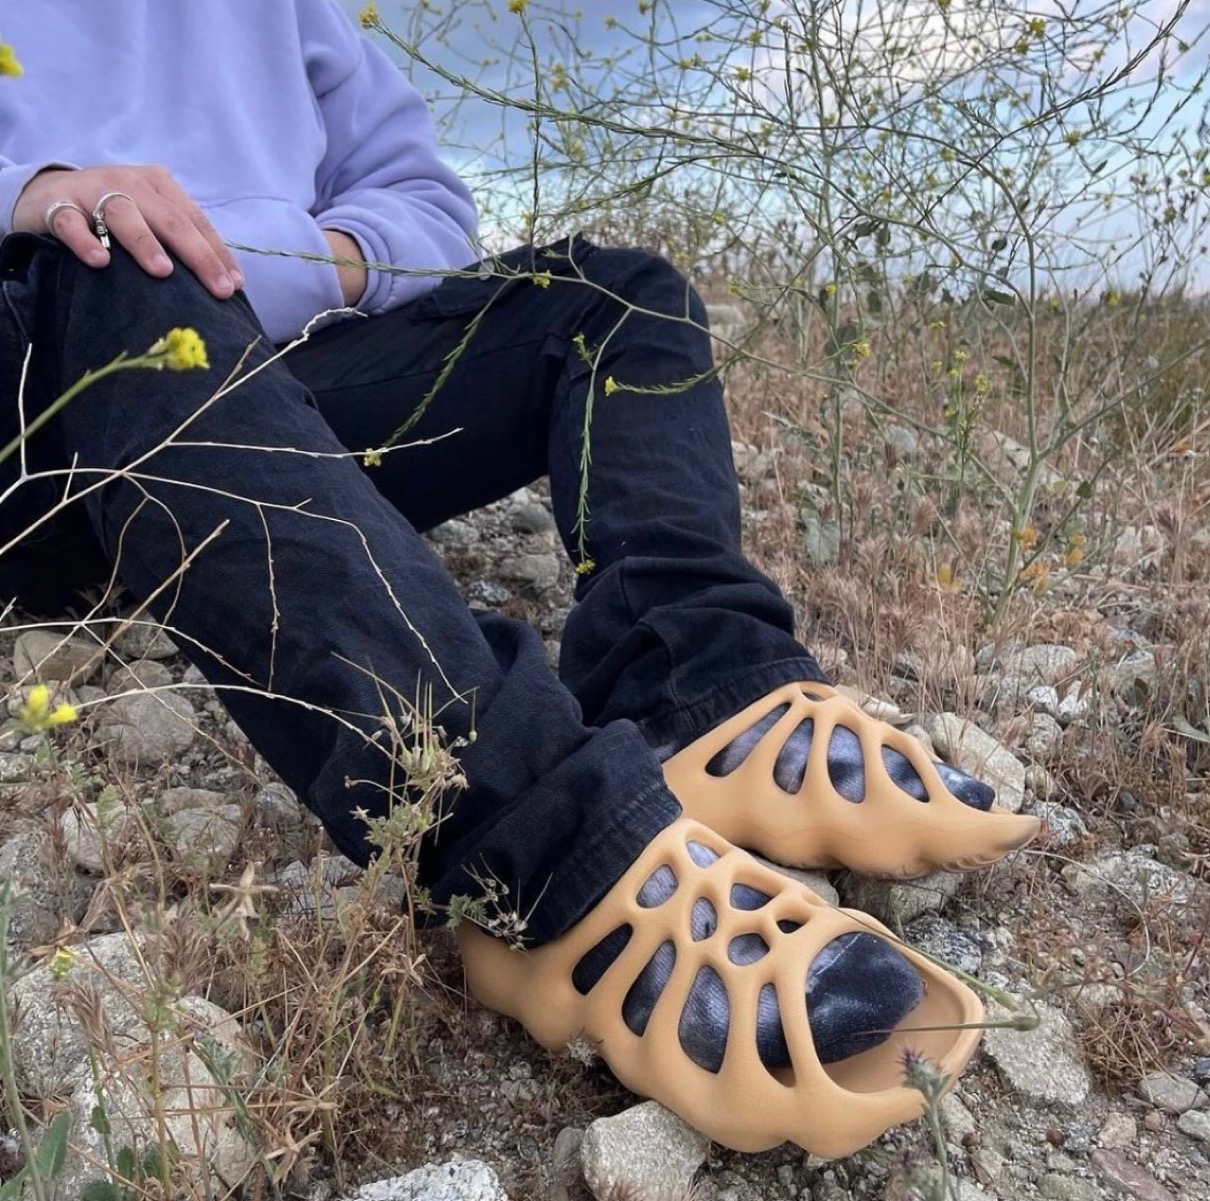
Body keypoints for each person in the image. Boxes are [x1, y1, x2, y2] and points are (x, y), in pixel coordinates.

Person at [0, 1, 1039, 1157]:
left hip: (266, 371)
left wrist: (292, 266)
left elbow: (426, 205)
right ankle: (545, 860)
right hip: (40, 410)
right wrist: (39, 193)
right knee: (103, 254)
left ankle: (707, 690)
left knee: (612, 299)